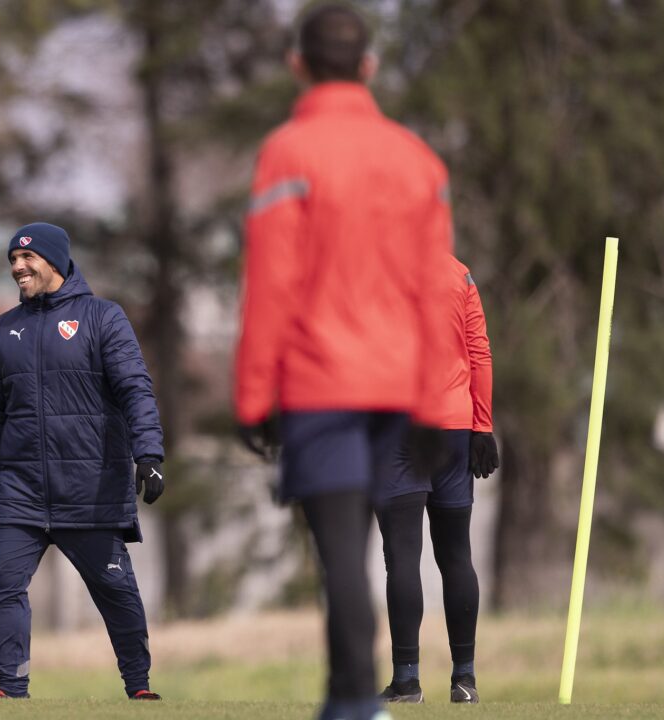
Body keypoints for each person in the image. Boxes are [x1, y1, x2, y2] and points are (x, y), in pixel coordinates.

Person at [234, 4, 455, 720]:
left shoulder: (287, 153)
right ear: (370, 68)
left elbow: (270, 287)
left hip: (322, 386)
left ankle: (362, 703)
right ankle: (345, 701)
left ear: (298, 65)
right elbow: (436, 293)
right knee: (381, 558)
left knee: (342, 558)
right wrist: (434, 402)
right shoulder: (420, 161)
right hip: (401, 388)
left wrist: (251, 397)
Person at [0, 222, 165, 701]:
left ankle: (138, 689)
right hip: (21, 491)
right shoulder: (1, 331)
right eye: (12, 259)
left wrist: (149, 455)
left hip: (89, 489)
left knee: (116, 594)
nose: (17, 267)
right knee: (4, 581)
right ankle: (11, 690)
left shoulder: (103, 318)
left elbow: (135, 389)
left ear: (54, 261)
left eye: (26, 258)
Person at [375, 255, 498, 705]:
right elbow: (479, 351)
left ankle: (407, 681)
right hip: (454, 429)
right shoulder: (459, 272)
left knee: (403, 557)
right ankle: (464, 681)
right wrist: (483, 426)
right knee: (456, 554)